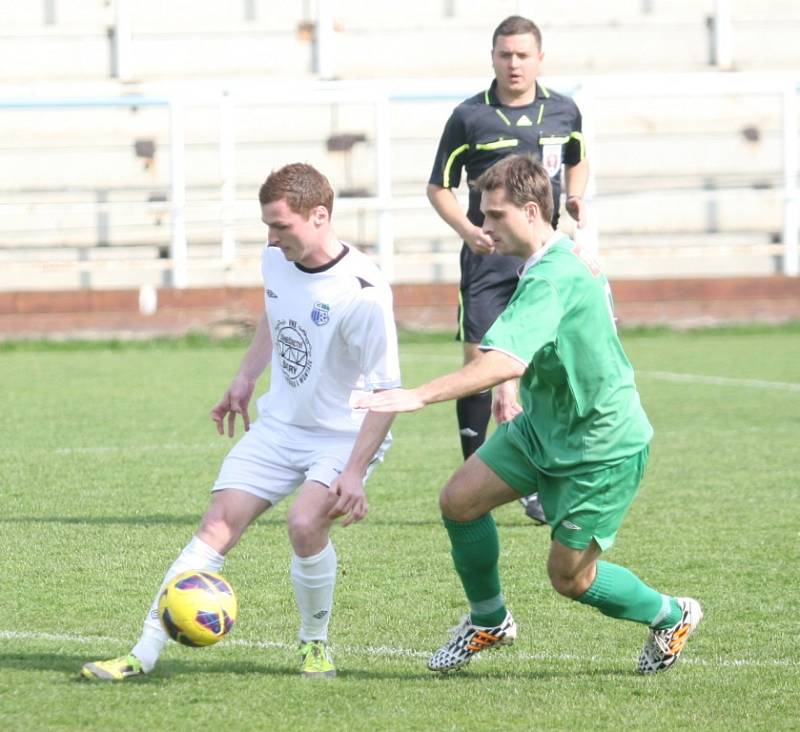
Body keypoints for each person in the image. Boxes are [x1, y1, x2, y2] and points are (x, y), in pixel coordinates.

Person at [360, 155, 702, 675]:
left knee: (570, 580)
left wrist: (419, 395)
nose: (484, 225)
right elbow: (537, 341)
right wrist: (514, 384)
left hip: (600, 445)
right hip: (544, 425)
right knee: (459, 501)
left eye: (494, 215)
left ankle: (671, 615)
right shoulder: (553, 258)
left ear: (528, 210)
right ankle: (488, 621)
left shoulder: (553, 275)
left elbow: (502, 358)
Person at [81, 163, 401, 681]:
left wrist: (356, 471)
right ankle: (142, 655)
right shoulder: (276, 260)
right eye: (268, 228)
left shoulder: (363, 291)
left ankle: (313, 645)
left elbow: (388, 392)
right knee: (216, 525)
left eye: (282, 226)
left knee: (304, 524)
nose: (272, 239)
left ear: (319, 216)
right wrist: (245, 376)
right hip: (279, 425)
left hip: (344, 435)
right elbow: (275, 314)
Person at [428, 15, 589, 525]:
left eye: (522, 55)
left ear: (539, 58)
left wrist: (578, 197)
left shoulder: (563, 110)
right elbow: (439, 186)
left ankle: (538, 477)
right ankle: (474, 475)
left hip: (544, 260)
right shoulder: (469, 117)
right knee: (480, 367)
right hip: (488, 260)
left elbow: (578, 156)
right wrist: (467, 231)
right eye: (505, 55)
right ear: (493, 58)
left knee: (544, 368)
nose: (513, 63)